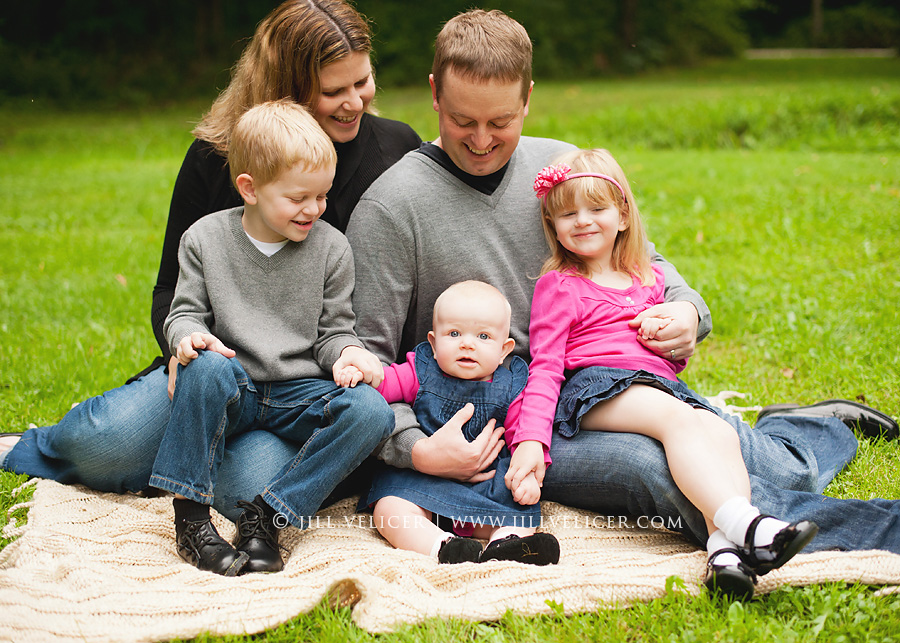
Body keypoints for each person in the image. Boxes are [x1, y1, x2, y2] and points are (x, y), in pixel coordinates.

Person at [343, 7, 900, 564]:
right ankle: (845, 529)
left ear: (529, 98)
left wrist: (688, 314)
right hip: (509, 416)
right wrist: (416, 450)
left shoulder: (556, 169)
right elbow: (369, 362)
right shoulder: (394, 206)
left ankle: (797, 435)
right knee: (650, 470)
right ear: (435, 92)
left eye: (502, 121)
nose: (483, 140)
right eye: (465, 120)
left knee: (755, 454)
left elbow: (643, 259)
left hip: (602, 380)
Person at [0, 0, 420, 520]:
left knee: (248, 488)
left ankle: (187, 465)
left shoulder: (398, 149)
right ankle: (64, 443)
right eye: (334, 91)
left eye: (363, 82)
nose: (355, 103)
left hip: (307, 389)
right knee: (102, 444)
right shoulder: (216, 160)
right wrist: (184, 350)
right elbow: (168, 294)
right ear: (287, 90)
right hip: (216, 375)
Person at [511, 148, 818, 597]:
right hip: (593, 388)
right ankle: (750, 525)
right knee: (677, 418)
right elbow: (546, 365)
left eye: (596, 208)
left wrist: (662, 335)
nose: (581, 220)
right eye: (567, 213)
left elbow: (667, 361)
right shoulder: (560, 284)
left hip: (654, 386)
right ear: (552, 225)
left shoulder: (647, 280)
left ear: (623, 215)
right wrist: (532, 440)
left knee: (719, 432)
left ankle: (723, 552)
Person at [148, 99, 393, 576]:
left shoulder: (331, 247)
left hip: (297, 391)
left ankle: (270, 516)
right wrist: (189, 338)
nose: (315, 209)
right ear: (250, 188)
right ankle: (192, 519)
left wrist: (347, 353)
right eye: (299, 197)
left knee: (371, 411)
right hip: (233, 384)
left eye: (321, 196)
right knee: (205, 366)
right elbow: (184, 313)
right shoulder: (204, 239)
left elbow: (334, 330)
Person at [353, 281, 559, 565]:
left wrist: (526, 476)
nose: (467, 343)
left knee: (521, 507)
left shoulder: (511, 385)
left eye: (484, 336)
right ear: (434, 344)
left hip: (485, 485)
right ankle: (441, 546)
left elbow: (521, 435)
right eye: (454, 333)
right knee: (390, 509)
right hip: (422, 483)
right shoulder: (420, 371)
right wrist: (364, 374)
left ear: (504, 350)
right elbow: (384, 385)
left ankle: (506, 544)